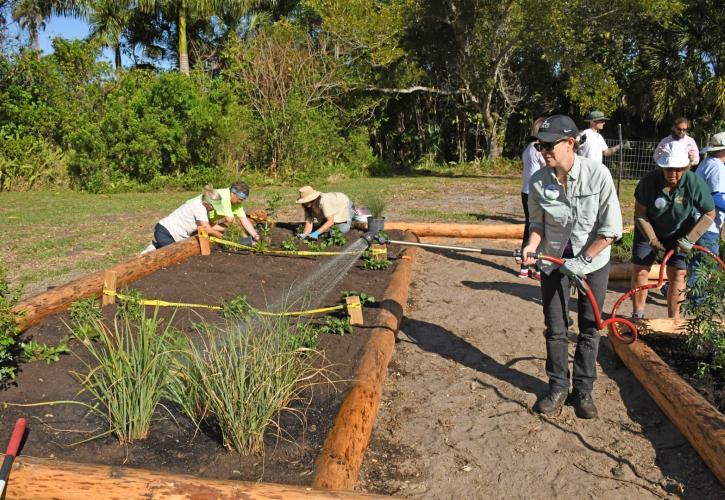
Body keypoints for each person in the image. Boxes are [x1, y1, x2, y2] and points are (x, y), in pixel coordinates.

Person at [521, 114, 623, 419]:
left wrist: (584, 260)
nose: (544, 151)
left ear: (570, 143)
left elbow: (611, 230)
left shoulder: (598, 175)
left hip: (593, 262)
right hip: (554, 263)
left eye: (550, 145)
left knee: (590, 327)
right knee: (555, 327)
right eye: (540, 145)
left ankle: (583, 389)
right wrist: (530, 246)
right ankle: (557, 387)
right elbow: (537, 223)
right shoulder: (538, 181)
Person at [631, 141, 716, 319]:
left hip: (681, 233)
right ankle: (637, 315)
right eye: (668, 168)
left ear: (685, 167)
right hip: (648, 229)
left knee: (678, 273)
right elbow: (640, 214)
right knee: (641, 269)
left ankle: (673, 320)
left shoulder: (694, 183)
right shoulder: (649, 181)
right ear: (661, 166)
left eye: (678, 169)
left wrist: (689, 240)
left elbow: (709, 213)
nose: (673, 173)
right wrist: (653, 241)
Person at [686, 132, 725, 296]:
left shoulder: (707, 163)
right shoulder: (717, 167)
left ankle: (681, 289)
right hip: (708, 224)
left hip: (699, 221)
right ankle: (697, 300)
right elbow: (715, 196)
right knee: (706, 263)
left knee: (697, 261)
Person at [142, 185, 227, 253]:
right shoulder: (199, 207)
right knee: (173, 256)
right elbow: (206, 228)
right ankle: (152, 249)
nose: (214, 209)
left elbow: (209, 224)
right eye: (213, 207)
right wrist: (222, 236)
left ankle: (156, 246)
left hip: (169, 233)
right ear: (207, 203)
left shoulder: (203, 206)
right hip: (166, 232)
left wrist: (226, 230)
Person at [519, 117, 546, 279]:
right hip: (535, 193)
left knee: (529, 227)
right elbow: (548, 167)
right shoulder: (538, 149)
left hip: (525, 191)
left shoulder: (528, 148)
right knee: (538, 228)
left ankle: (525, 267)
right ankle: (536, 268)